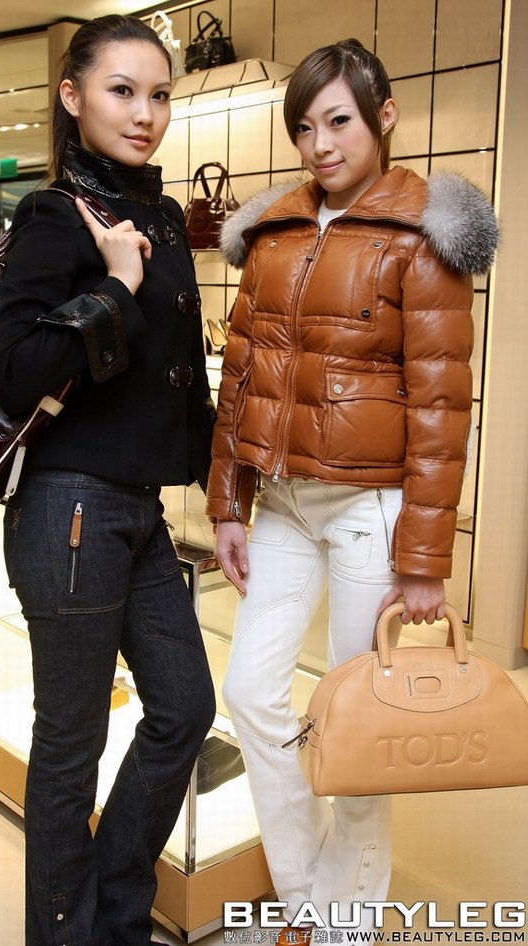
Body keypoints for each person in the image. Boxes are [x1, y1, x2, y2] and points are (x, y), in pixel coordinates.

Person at [206, 38, 498, 937]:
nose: (319, 144)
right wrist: (227, 502)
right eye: (303, 127)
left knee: (359, 721)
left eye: (337, 121)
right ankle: (308, 895)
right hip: (285, 503)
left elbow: (441, 409)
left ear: (384, 117)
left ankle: (347, 920)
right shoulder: (275, 232)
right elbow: (243, 375)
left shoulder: (423, 236)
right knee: (251, 692)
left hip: (374, 510)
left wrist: (425, 562)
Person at [0, 15, 216, 946]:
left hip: (139, 511)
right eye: (122, 90)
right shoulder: (54, 216)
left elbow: (184, 378)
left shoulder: (161, 215)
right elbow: (14, 374)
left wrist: (223, 497)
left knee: (185, 708)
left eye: (159, 94)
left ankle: (116, 916)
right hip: (70, 507)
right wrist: (114, 287)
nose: (144, 112)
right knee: (70, 746)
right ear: (72, 95)